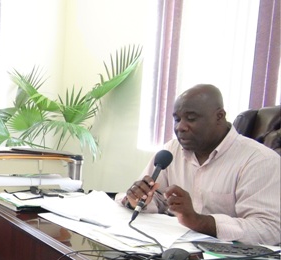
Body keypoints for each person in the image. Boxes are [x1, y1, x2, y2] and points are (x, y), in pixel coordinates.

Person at [117, 84, 280, 245]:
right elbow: (157, 199)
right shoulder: (171, 151)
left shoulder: (260, 161)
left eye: (191, 118)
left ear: (219, 116)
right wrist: (137, 200)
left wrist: (199, 221)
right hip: (170, 247)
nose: (180, 127)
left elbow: (269, 229)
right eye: (177, 119)